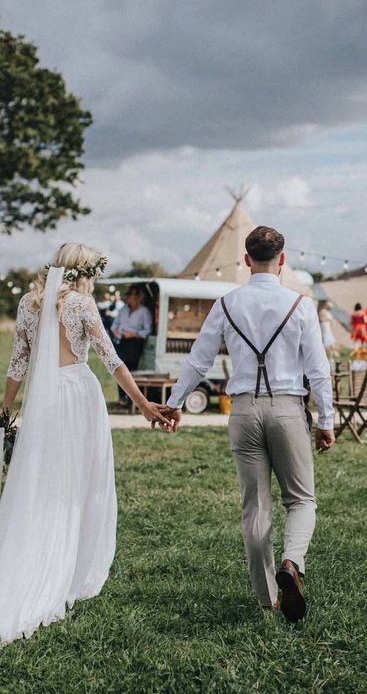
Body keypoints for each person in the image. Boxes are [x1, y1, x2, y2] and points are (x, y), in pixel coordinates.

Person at [160, 226, 334, 623]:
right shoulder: (300, 305)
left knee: (255, 507)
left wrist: (174, 403)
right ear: (283, 260)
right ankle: (291, 562)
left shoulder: (226, 303)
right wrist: (326, 419)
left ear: (246, 259)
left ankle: (267, 597)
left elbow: (198, 361)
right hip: (288, 408)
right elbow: (318, 371)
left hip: (242, 411)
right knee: (301, 499)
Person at [0, 243, 172, 645]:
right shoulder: (81, 305)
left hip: (41, 399)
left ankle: (35, 550)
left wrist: (5, 407)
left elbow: (18, 362)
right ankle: (71, 563)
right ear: (86, 271)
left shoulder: (28, 302)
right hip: (78, 395)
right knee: (83, 480)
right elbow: (111, 359)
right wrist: (144, 403)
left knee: (41, 478)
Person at [111, 286, 153, 404]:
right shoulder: (123, 310)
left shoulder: (144, 311)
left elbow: (147, 330)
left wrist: (134, 334)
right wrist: (117, 333)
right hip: (122, 342)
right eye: (128, 295)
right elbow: (114, 326)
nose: (129, 297)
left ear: (138, 297)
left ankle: (131, 398)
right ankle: (122, 397)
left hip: (135, 343)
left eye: (132, 295)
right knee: (119, 369)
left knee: (131, 370)